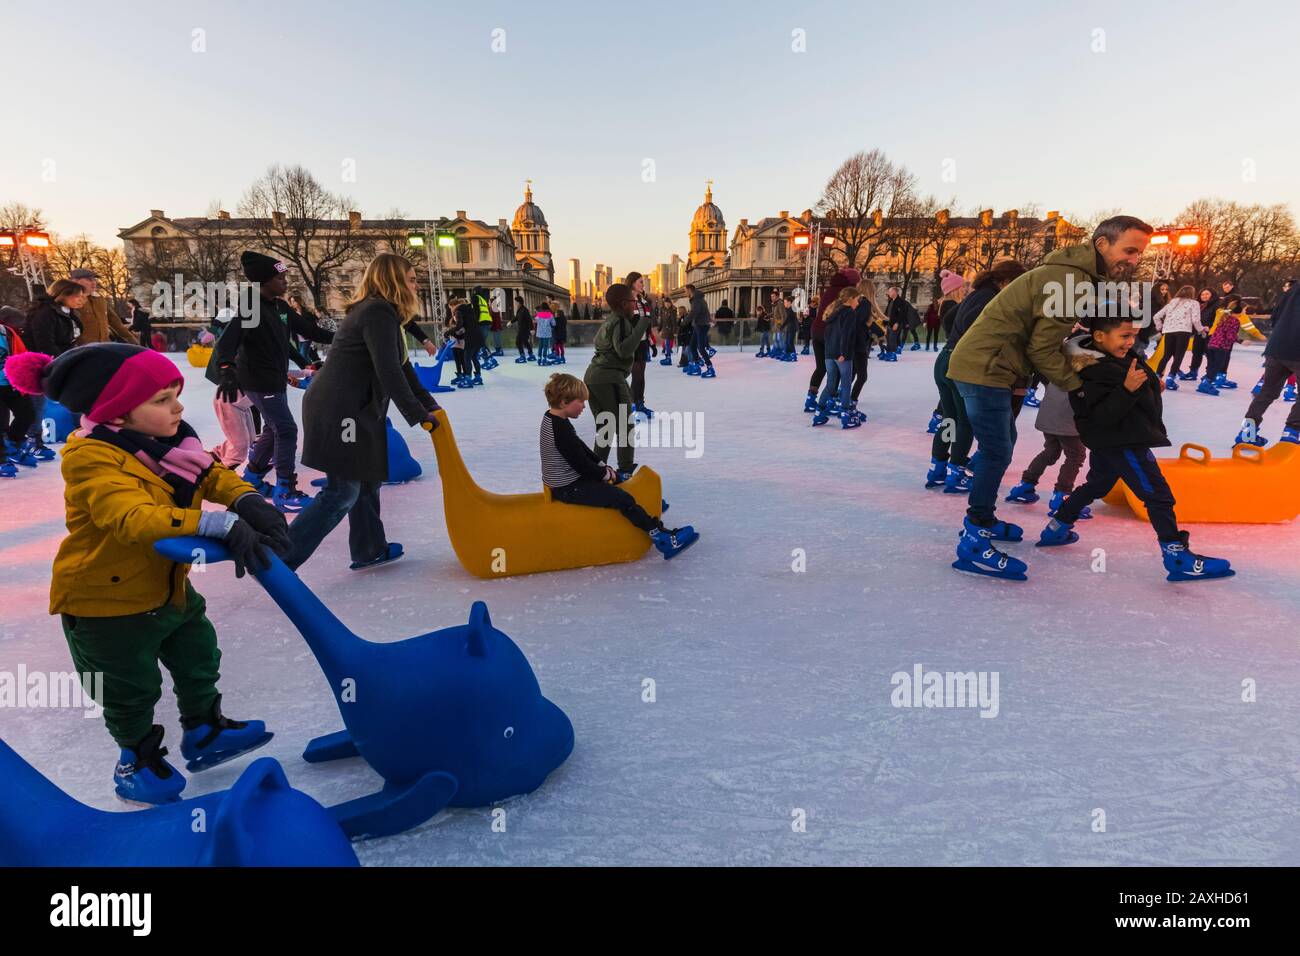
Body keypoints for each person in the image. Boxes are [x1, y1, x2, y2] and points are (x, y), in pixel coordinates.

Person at [5, 342, 290, 803]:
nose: (178, 406)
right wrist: (213, 522)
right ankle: (134, 760)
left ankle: (205, 731)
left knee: (199, 658)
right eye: (161, 400)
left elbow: (210, 475)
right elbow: (132, 518)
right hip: (105, 604)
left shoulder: (172, 442)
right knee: (129, 689)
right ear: (116, 414)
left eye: (175, 394)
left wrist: (246, 499)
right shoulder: (91, 459)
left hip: (168, 588)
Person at [947, 214, 1153, 580]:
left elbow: (1049, 343)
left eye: (1140, 253)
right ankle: (974, 538)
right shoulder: (1071, 281)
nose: (1134, 259)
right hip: (986, 366)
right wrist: (1082, 387)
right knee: (996, 450)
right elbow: (1042, 350)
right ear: (1102, 244)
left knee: (1002, 443)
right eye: (1130, 250)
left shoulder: (1078, 276)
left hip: (991, 364)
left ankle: (985, 517)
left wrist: (1089, 362)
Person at [1037, 317, 1234, 582]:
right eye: (1124, 336)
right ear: (1099, 336)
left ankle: (1057, 526)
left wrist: (1151, 385)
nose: (1130, 342)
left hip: (1120, 437)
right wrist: (1129, 389)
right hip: (1123, 440)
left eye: (1133, 336)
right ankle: (1176, 556)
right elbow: (1101, 416)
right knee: (1158, 496)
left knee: (1097, 485)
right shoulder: (1090, 370)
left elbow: (1135, 380)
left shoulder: (1116, 356)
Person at [289, 253, 442, 571]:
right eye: (411, 279)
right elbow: (389, 371)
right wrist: (417, 413)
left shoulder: (385, 314)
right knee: (342, 490)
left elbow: (403, 367)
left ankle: (369, 548)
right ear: (394, 281)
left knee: (369, 479)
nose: (416, 285)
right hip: (340, 410)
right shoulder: (376, 312)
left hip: (356, 407)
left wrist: (430, 404)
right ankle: (277, 561)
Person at [214, 251, 334, 511]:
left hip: (274, 378)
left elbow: (305, 332)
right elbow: (227, 342)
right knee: (286, 429)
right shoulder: (251, 307)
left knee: (272, 428)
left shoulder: (280, 307)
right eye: (280, 277)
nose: (285, 282)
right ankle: (285, 490)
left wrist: (342, 337)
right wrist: (226, 369)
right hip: (257, 379)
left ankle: (253, 479)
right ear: (264, 280)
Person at [540, 372, 697, 559]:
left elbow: (580, 448)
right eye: (580, 402)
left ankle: (646, 504)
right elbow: (580, 464)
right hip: (567, 487)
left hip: (568, 482)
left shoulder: (555, 419)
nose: (584, 406)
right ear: (564, 402)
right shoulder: (559, 429)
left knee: (616, 479)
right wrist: (604, 475)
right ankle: (661, 538)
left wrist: (601, 466)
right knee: (620, 497)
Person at [926, 261, 1025, 494]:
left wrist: (955, 339)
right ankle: (956, 470)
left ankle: (938, 465)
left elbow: (950, 317)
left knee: (949, 417)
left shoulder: (977, 294)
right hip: (961, 362)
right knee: (965, 421)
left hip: (945, 359)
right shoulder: (989, 297)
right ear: (1006, 281)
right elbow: (972, 323)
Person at [583, 283, 652, 478]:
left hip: (597, 378)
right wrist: (642, 325)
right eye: (633, 301)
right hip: (608, 377)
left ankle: (597, 472)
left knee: (608, 426)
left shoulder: (614, 320)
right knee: (623, 425)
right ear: (623, 304)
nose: (635, 304)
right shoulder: (621, 322)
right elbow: (623, 350)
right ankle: (624, 470)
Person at [1003, 379, 1091, 518]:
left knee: (1050, 451)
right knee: (1076, 456)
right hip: (1067, 420)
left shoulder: (1056, 365)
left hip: (1049, 417)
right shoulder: (1085, 370)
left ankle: (1025, 485)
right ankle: (1062, 495)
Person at [1235, 277, 1300, 445]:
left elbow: (1275, 315)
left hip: (1277, 346)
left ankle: (1247, 432)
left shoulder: (1293, 289)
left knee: (1266, 392)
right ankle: (1290, 434)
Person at [205, 307, 257, 470]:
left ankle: (215, 455)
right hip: (230, 399)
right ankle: (222, 477)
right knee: (240, 445)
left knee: (249, 437)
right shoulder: (235, 337)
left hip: (238, 397)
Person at [802, 269, 859, 411]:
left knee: (821, 368)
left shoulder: (828, 290)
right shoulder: (845, 294)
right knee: (838, 370)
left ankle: (811, 399)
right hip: (831, 335)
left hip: (817, 332)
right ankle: (832, 400)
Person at [812, 287, 861, 429]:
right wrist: (844, 353)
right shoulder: (849, 313)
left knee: (831, 384)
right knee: (845, 384)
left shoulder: (833, 312)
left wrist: (830, 352)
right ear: (851, 298)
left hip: (829, 353)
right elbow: (846, 334)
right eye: (857, 299)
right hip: (841, 354)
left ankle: (819, 412)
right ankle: (845, 415)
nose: (858, 303)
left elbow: (828, 334)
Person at [0, 313, 36, 476]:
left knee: (27, 414)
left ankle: (13, 445)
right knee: (1, 423)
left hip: (11, 383)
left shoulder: (6, 332)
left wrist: (24, 375)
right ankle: (1, 458)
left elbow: (21, 354)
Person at [68, 269, 138, 346]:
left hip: (104, 346)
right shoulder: (68, 300)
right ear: (75, 281)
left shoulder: (99, 299)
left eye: (94, 279)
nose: (94, 282)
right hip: (82, 349)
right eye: (89, 279)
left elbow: (116, 323)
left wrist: (133, 342)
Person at [1197, 295, 1244, 395]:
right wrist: (1241, 341)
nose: (1244, 313)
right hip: (1221, 347)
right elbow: (1230, 336)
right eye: (1244, 311)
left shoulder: (1224, 317)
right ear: (1238, 312)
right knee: (1217, 366)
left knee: (1212, 365)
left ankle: (1206, 381)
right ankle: (1206, 384)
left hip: (1212, 345)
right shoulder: (1235, 321)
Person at [626, 272, 655, 417]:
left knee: (641, 376)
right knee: (636, 376)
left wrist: (652, 341)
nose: (642, 284)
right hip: (633, 343)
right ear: (632, 283)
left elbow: (647, 322)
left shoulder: (643, 301)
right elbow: (625, 323)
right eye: (640, 282)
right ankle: (631, 406)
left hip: (643, 342)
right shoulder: (627, 301)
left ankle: (640, 404)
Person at [686, 284, 715, 377]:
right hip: (698, 325)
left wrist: (684, 322)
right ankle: (697, 366)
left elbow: (694, 312)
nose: (685, 293)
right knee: (692, 346)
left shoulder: (697, 300)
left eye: (685, 291)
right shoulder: (698, 299)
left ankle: (710, 368)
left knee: (701, 348)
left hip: (701, 325)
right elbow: (703, 311)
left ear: (690, 290)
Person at [513, 297, 535, 362]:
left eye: (516, 302)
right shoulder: (519, 310)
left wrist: (532, 329)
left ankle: (522, 357)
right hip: (521, 329)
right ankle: (531, 354)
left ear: (519, 302)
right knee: (525, 342)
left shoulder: (524, 310)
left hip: (524, 330)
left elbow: (529, 320)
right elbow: (516, 317)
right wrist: (511, 322)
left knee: (518, 342)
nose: (515, 303)